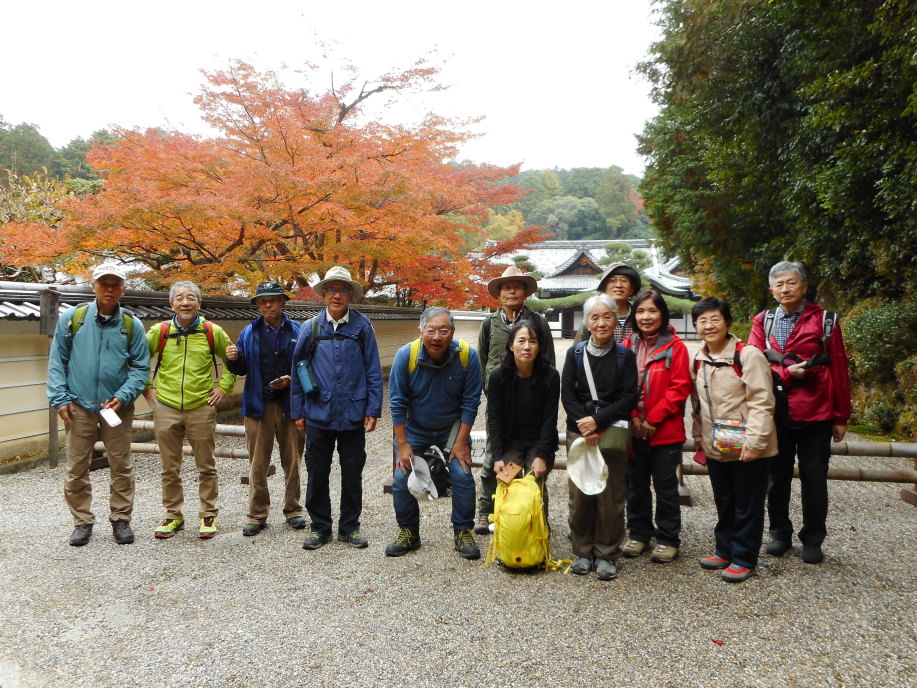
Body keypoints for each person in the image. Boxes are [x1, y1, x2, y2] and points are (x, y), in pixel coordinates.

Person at [748, 261, 851, 565]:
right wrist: (786, 373)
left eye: (791, 283)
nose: (785, 289)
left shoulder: (825, 320)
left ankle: (813, 538)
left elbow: (838, 366)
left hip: (817, 411)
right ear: (771, 290)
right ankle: (780, 533)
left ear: (804, 286)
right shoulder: (763, 320)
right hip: (776, 410)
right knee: (775, 476)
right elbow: (752, 363)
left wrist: (841, 415)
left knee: (815, 478)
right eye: (779, 284)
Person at [47, 265, 150, 546]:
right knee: (76, 466)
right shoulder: (74, 318)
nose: (109, 289)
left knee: (121, 464)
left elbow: (141, 367)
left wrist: (124, 395)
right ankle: (82, 521)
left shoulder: (131, 325)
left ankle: (121, 518)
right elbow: (57, 361)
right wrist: (60, 398)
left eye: (115, 284)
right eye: (104, 283)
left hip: (116, 406)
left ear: (123, 290)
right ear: (93, 286)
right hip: (78, 405)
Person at [289, 266, 383, 550]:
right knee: (317, 472)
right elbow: (298, 370)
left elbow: (373, 370)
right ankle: (320, 527)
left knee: (352, 472)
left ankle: (350, 527)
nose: (337, 295)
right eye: (332, 290)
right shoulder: (311, 327)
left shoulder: (362, 327)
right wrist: (298, 411)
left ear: (350, 295)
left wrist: (373, 409)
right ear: (324, 294)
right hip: (319, 412)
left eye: (343, 290)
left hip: (353, 413)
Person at [691, 297, 777, 583]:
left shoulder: (748, 355)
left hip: (747, 440)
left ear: (727, 322)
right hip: (717, 441)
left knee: (747, 502)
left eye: (715, 319)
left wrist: (755, 443)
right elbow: (697, 404)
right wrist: (699, 437)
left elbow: (762, 402)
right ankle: (724, 549)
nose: (709, 325)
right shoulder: (699, 358)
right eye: (702, 321)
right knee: (725, 499)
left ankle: (744, 558)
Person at [386, 307, 483, 559]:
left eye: (443, 331)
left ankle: (463, 531)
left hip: (451, 428)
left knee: (463, 475)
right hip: (415, 427)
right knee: (402, 478)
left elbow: (471, 402)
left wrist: (461, 442)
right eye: (431, 331)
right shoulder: (406, 355)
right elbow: (397, 403)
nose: (437, 337)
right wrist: (402, 443)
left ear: (453, 332)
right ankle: (409, 531)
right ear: (421, 331)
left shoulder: (467, 356)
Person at [143, 281, 237, 540]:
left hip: (201, 406)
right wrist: (146, 388)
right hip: (166, 405)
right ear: (171, 304)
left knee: (206, 465)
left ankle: (209, 513)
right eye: (179, 298)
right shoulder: (160, 331)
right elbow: (137, 359)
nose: (185, 303)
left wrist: (224, 388)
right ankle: (173, 514)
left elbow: (233, 360)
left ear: (199, 302)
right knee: (169, 467)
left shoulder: (212, 331)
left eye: (190, 298)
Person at [561, 293, 638, 581]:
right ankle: (582, 551)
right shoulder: (575, 354)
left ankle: (606, 554)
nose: (601, 323)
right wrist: (586, 424)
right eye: (595, 317)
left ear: (616, 320)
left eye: (607, 316)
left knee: (610, 496)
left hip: (611, 432)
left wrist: (597, 421)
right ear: (587, 322)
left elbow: (628, 397)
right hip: (579, 432)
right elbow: (567, 394)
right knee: (580, 494)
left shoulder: (624, 356)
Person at [475, 265, 555, 534]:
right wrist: (489, 389)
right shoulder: (489, 324)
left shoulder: (538, 322)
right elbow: (483, 360)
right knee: (493, 460)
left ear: (525, 291)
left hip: (533, 403)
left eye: (517, 286)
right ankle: (487, 511)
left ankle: (534, 517)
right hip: (500, 402)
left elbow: (549, 361)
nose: (512, 291)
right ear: (499, 293)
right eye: (506, 287)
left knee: (533, 469)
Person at [225, 281, 305, 536]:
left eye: (273, 299)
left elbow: (308, 365)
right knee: (258, 462)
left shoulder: (298, 330)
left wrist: (292, 380)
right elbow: (241, 369)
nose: (268, 304)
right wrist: (232, 359)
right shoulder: (249, 332)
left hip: (291, 403)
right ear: (258, 305)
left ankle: (293, 509)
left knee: (293, 459)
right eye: (263, 301)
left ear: (282, 302)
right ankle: (257, 514)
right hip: (258, 404)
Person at [620, 290, 691, 563]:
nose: (646, 317)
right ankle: (639, 534)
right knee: (635, 486)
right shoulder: (627, 345)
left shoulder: (676, 347)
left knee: (665, 486)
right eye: (640, 311)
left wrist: (652, 420)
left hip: (665, 430)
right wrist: (635, 419)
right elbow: (620, 385)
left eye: (652, 311)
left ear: (663, 314)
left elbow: (679, 388)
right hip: (634, 428)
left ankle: (668, 538)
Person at [486, 320, 560, 516]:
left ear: (539, 347)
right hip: (511, 442)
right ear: (511, 346)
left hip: (538, 442)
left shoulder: (550, 376)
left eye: (533, 341)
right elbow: (494, 419)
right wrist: (497, 457)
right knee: (507, 481)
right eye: (521, 341)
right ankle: (507, 528)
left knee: (534, 486)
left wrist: (541, 456)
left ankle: (539, 531)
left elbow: (550, 421)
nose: (527, 346)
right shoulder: (498, 375)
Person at [573, 262, 642, 345]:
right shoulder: (592, 317)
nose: (618, 285)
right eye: (612, 280)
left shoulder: (640, 316)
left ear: (632, 289)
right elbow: (578, 349)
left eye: (623, 280)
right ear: (604, 288)